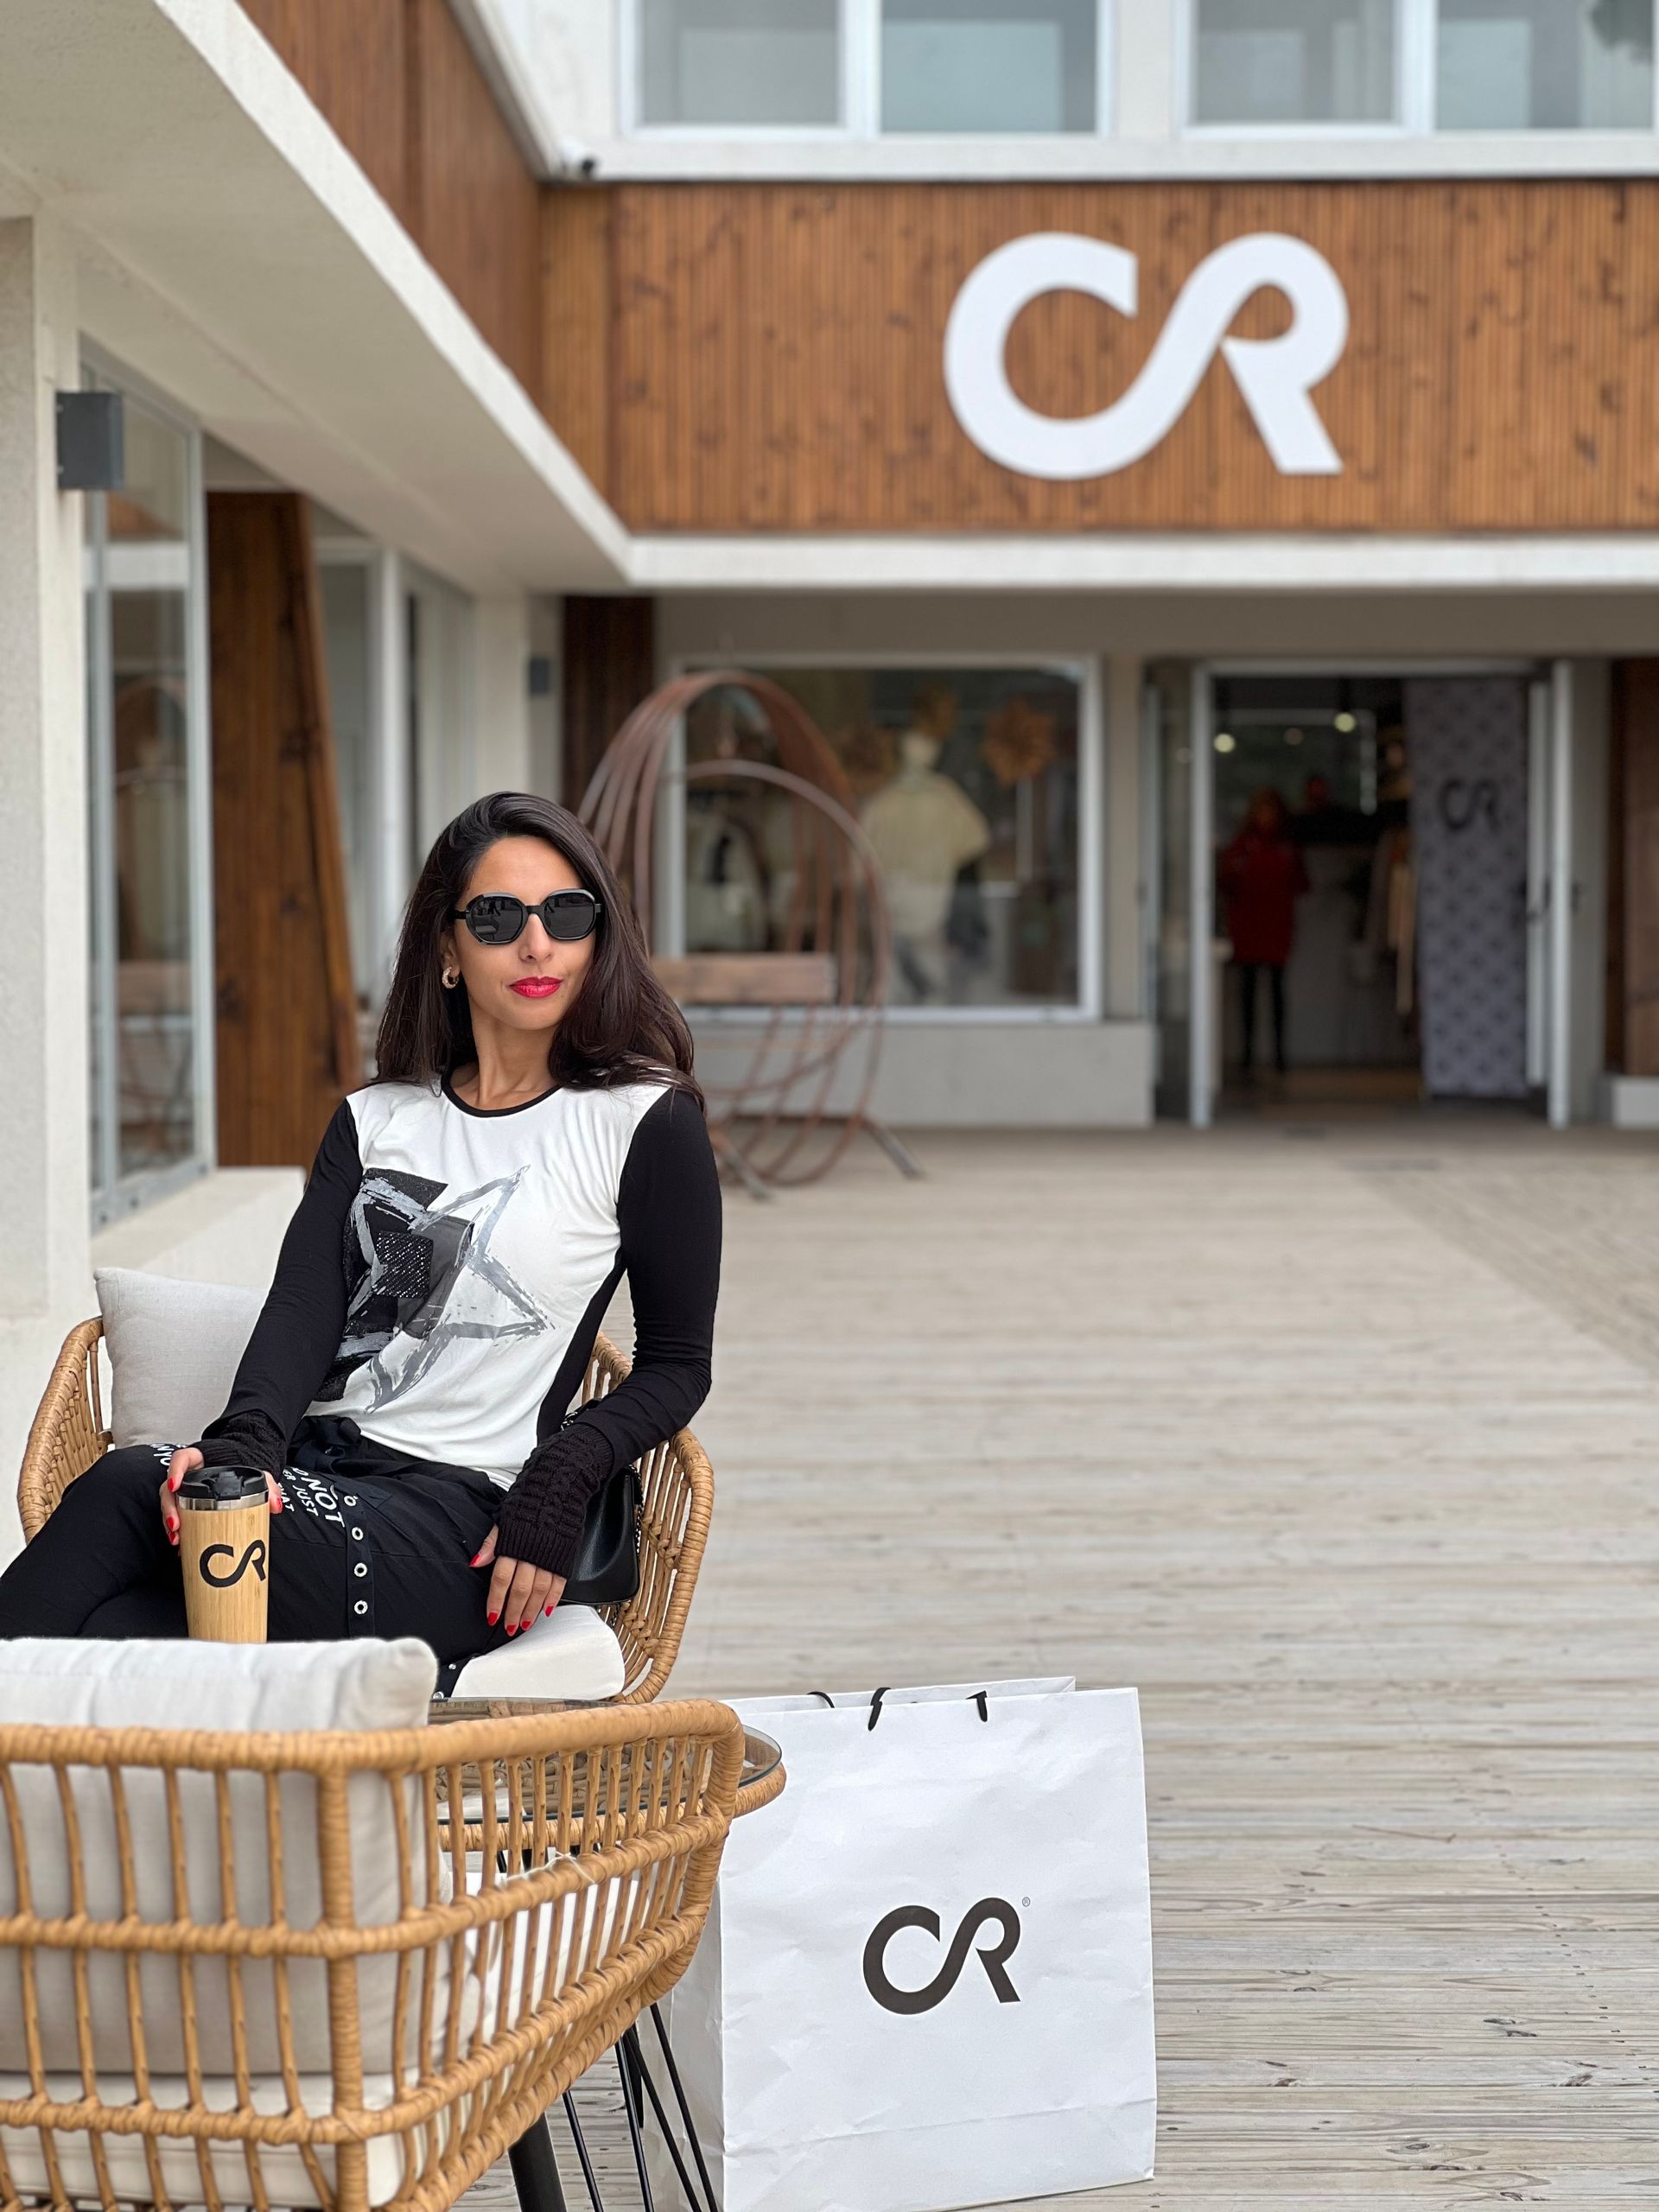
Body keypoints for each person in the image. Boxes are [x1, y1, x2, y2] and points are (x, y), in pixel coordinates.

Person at [0, 793, 721, 1666]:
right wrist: (245, 1445)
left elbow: (678, 1363)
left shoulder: (644, 1121)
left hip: (466, 1530)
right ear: (448, 949)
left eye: (566, 914)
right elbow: (304, 1308)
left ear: (597, 935)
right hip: (322, 1483)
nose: (537, 944)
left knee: (126, 1485)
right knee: (110, 1628)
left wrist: (563, 1473)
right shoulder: (376, 1120)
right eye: (497, 918)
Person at [1219, 788, 1308, 1079]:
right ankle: (1247, 1054)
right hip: (1248, 928)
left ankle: (1280, 1055)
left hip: (1277, 927)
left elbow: (1301, 883)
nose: (1266, 817)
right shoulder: (1244, 846)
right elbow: (1225, 883)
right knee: (1247, 994)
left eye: (1270, 811)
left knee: (1276, 992)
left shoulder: (1286, 847)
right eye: (1262, 811)